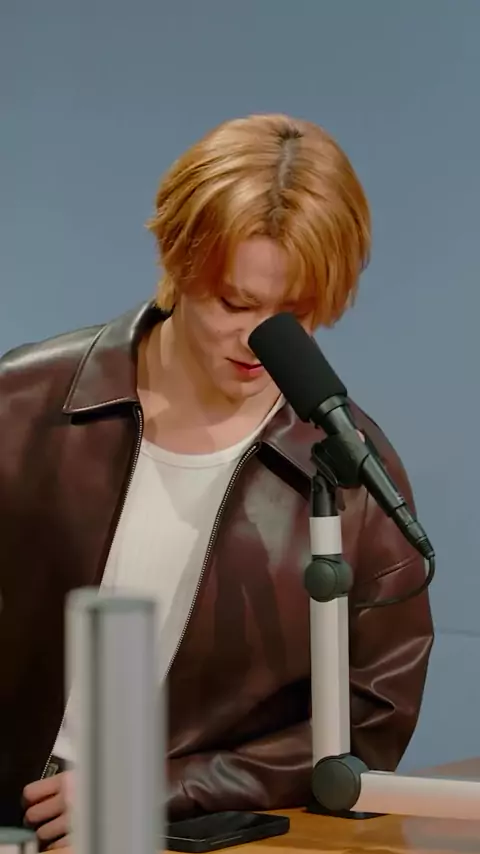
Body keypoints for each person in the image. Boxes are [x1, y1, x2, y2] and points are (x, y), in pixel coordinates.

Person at [0, 113, 434, 850]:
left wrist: (159, 788)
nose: (259, 341)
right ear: (177, 261)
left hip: (182, 837)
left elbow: (368, 724)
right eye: (236, 304)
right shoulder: (22, 404)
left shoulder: (353, 472)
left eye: (296, 314)